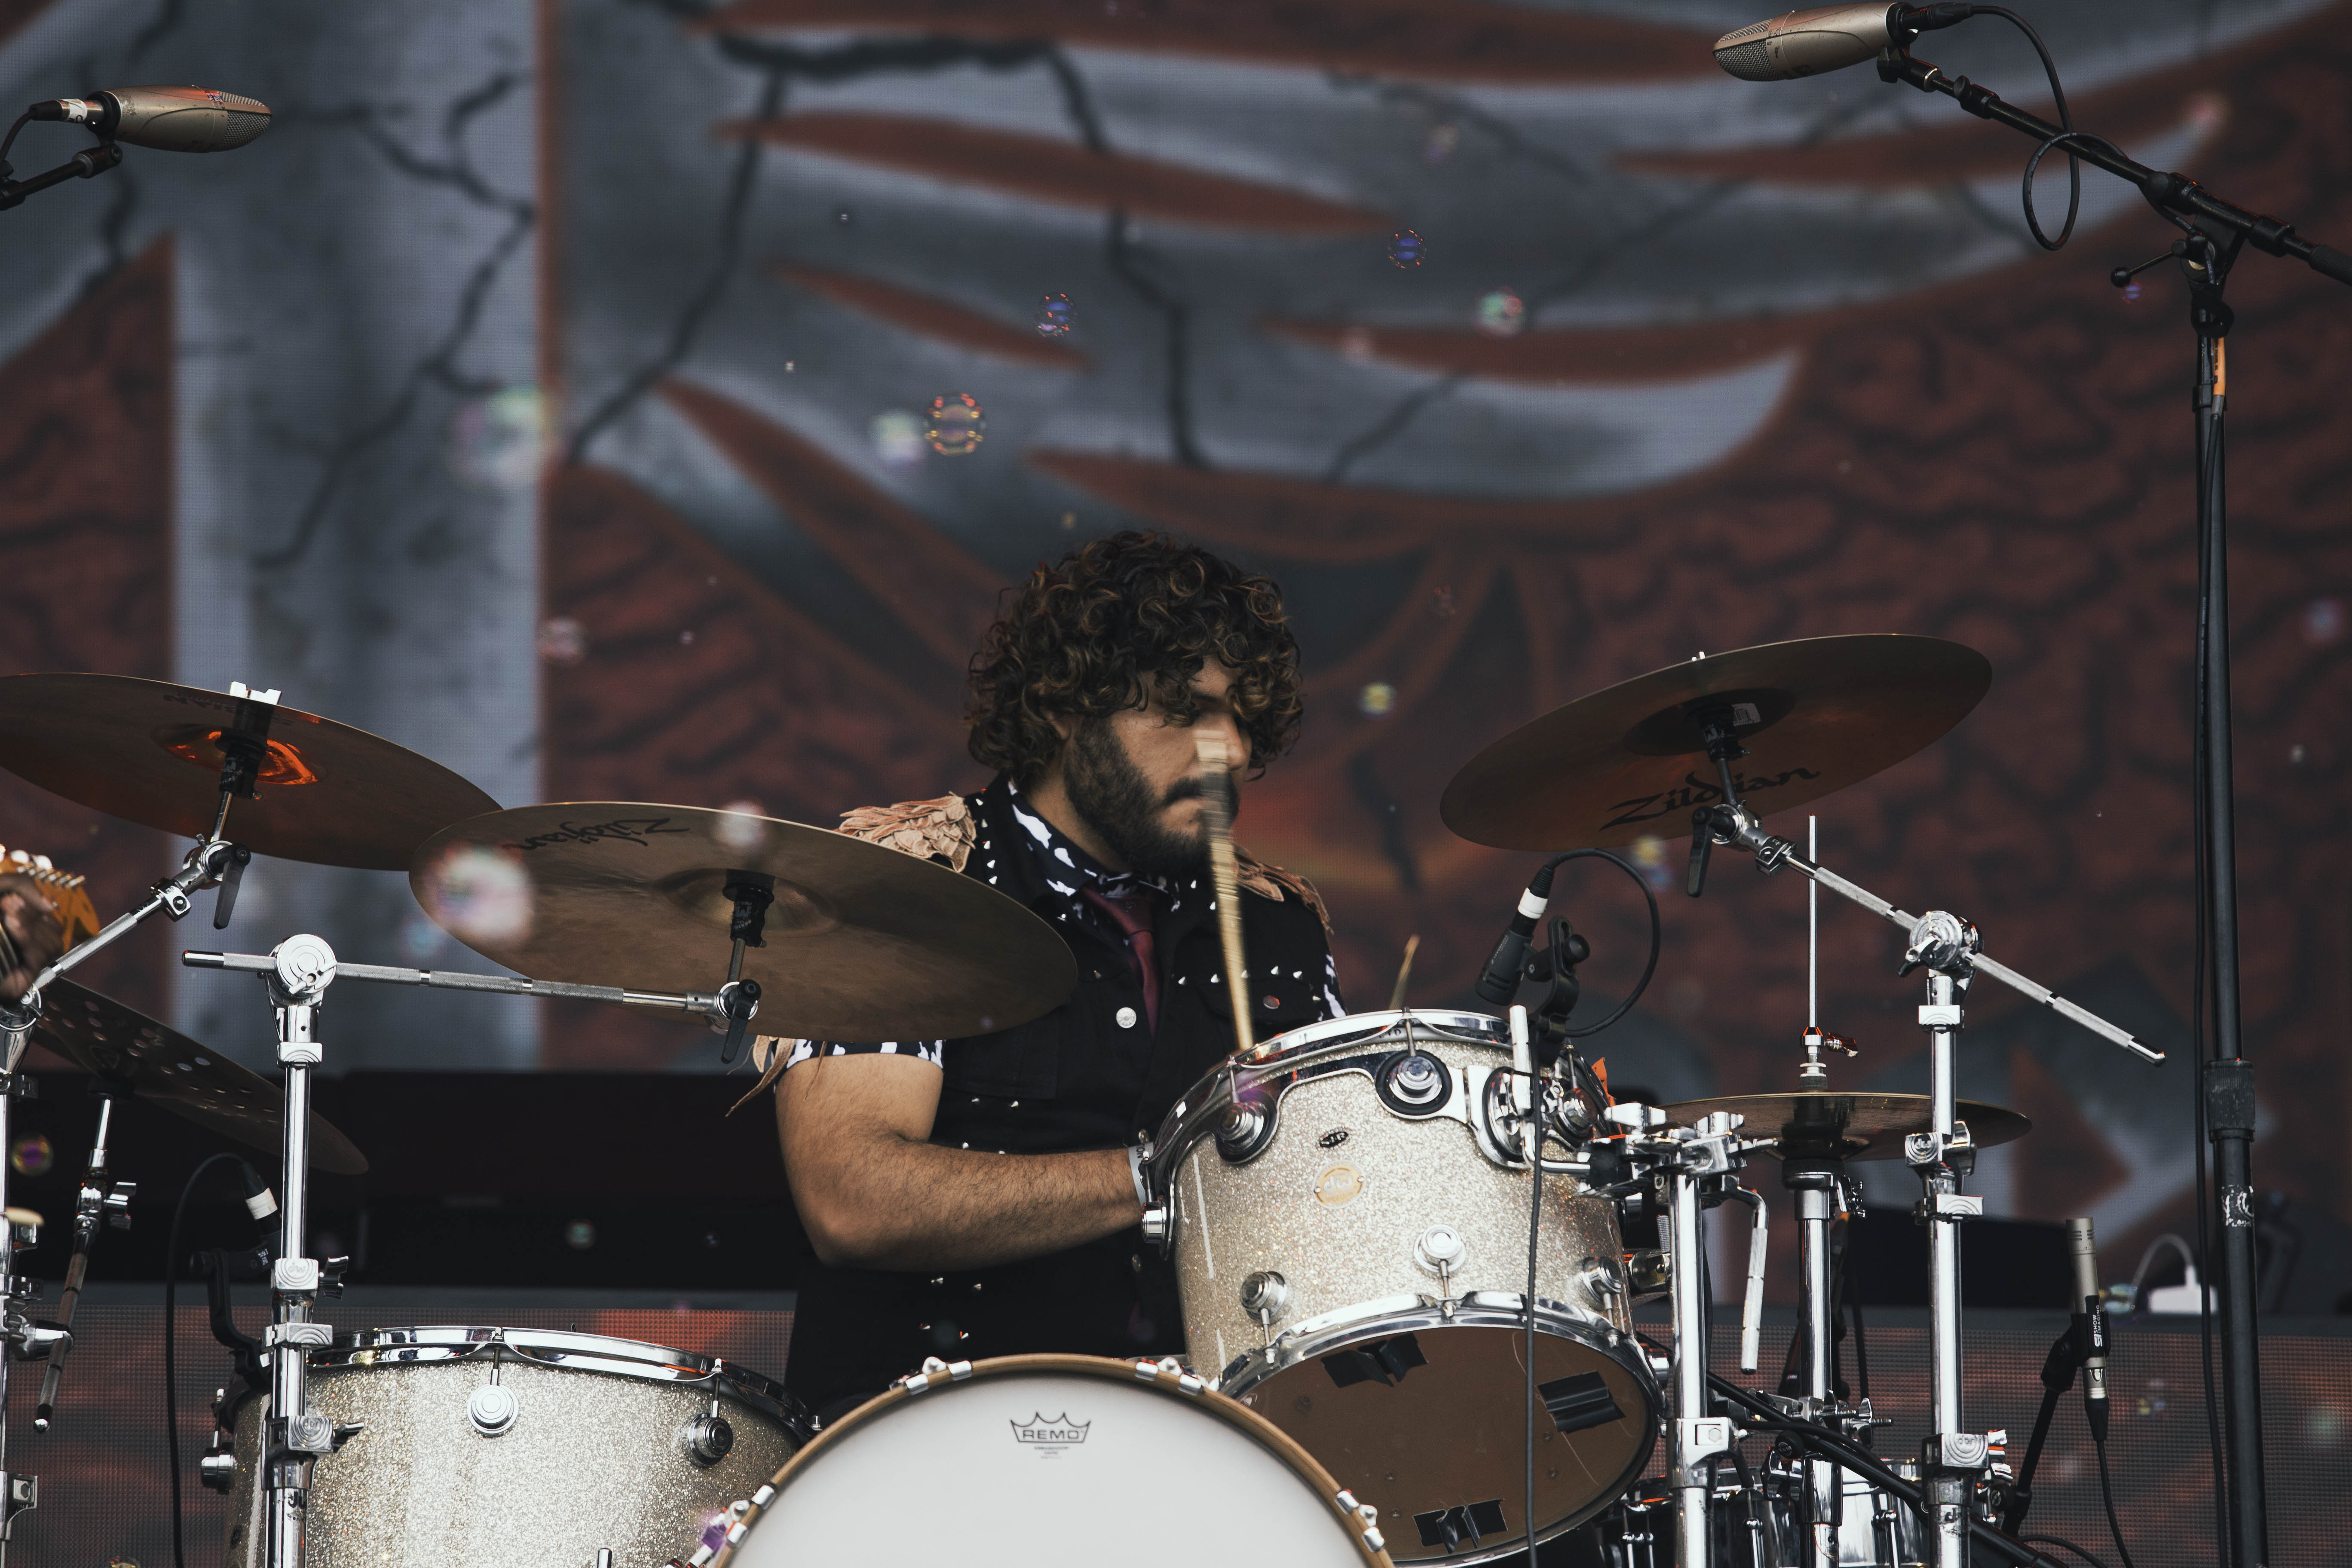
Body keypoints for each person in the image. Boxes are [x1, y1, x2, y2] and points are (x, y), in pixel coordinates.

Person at [748, 532, 1343, 1417]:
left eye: (1242, 719)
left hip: (1212, 1447)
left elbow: (1336, 1191)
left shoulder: (1274, 922)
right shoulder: (910, 881)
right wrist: (1165, 1174)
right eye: (1182, 709)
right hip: (924, 1447)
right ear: (1068, 706)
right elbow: (853, 1199)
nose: (1222, 749)